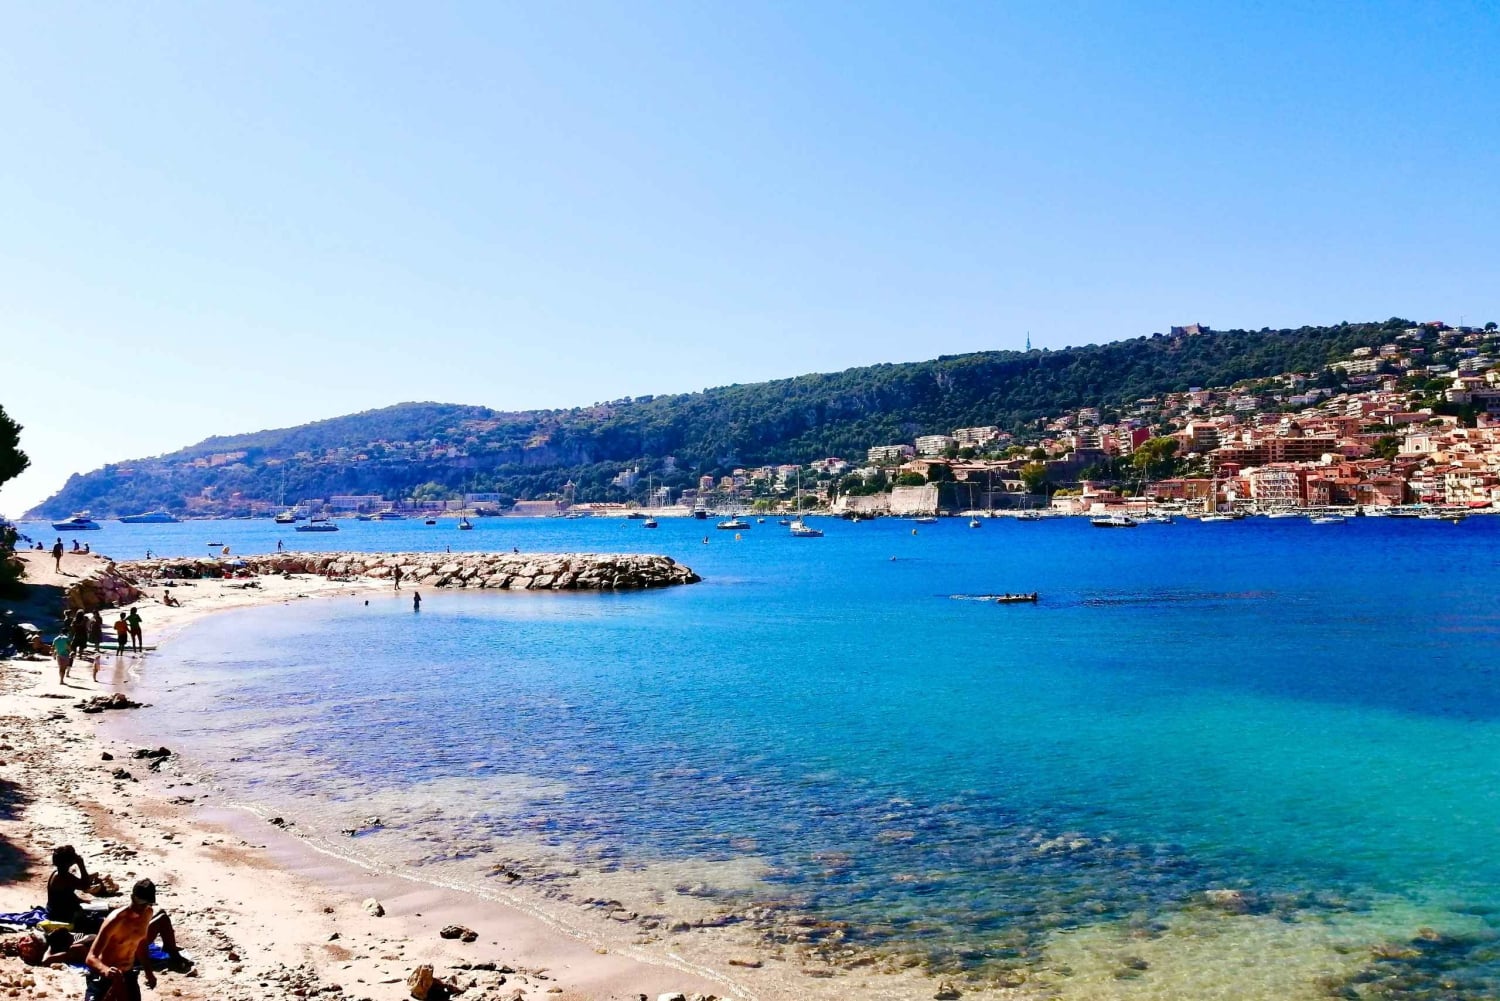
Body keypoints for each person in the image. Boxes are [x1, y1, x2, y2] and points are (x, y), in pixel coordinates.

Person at [85, 879, 161, 1000]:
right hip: (106, 975)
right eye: (139, 901)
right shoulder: (116, 920)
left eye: (146, 903)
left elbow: (141, 943)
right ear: (132, 897)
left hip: (128, 973)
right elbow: (91, 957)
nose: (142, 907)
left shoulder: (148, 913)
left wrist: (148, 971)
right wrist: (106, 971)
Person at [46, 846, 94, 929]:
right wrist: (81, 864)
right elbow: (86, 886)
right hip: (61, 915)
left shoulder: (57, 873)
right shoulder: (63, 877)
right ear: (70, 861)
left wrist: (80, 900)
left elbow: (63, 895)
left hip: (53, 909)